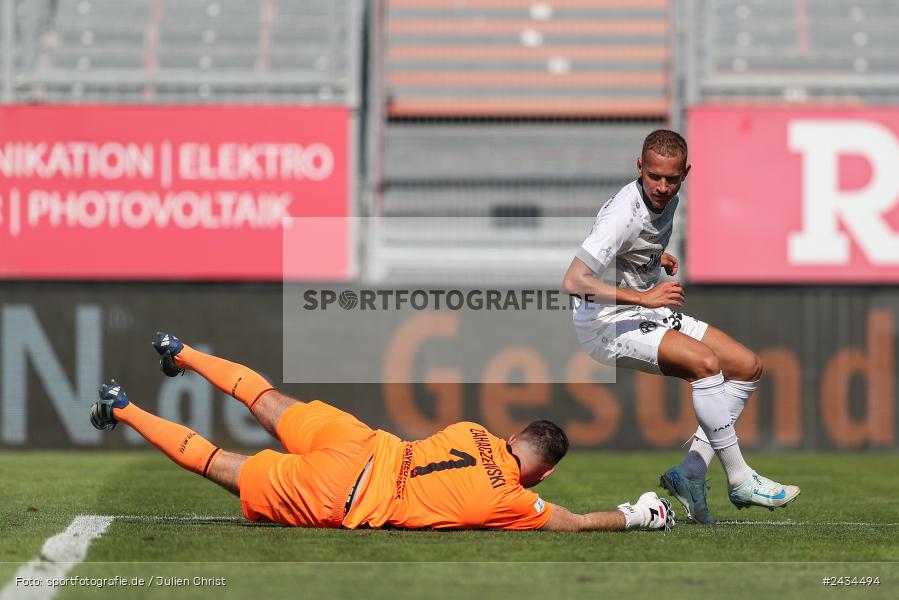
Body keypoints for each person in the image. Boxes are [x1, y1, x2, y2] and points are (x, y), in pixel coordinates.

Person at [90, 332, 675, 533]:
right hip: (344, 494)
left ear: (514, 434)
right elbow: (573, 522)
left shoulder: (472, 429)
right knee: (219, 463)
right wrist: (638, 514)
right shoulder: (514, 500)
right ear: (544, 470)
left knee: (265, 398)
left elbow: (480, 457)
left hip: (358, 440)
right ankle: (122, 407)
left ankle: (181, 350)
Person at [561, 130, 799, 525]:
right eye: (653, 176)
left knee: (746, 366)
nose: (662, 186)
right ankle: (740, 479)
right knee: (706, 364)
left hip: (640, 308)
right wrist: (646, 297)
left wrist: (656, 258)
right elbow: (573, 281)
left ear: (685, 173)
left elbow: (631, 249)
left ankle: (690, 473)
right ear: (639, 167)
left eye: (672, 179)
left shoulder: (665, 199)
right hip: (604, 323)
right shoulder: (623, 213)